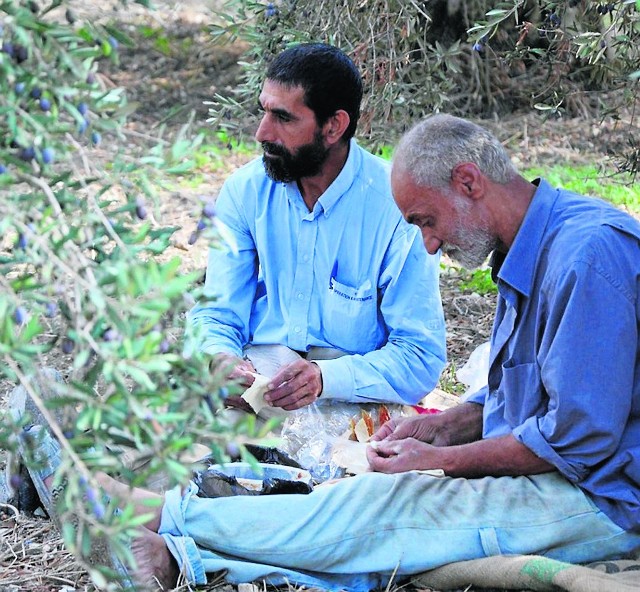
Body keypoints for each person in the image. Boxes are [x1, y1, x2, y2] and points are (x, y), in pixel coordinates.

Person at [16, 114, 640, 592]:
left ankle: (164, 531)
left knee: (395, 506)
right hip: (565, 470)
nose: (427, 246)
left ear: (468, 182)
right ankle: (172, 536)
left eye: (425, 221)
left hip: (603, 499)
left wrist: (444, 462)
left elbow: (576, 443)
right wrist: (446, 425)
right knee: (357, 490)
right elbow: (525, 392)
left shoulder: (586, 256)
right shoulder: (533, 246)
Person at [187, 43, 446, 414]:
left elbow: (419, 356)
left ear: (334, 126)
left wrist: (325, 379)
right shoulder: (247, 191)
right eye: (264, 112)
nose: (262, 133)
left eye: (284, 118)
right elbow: (217, 313)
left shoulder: (396, 206)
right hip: (258, 382)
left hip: (355, 391)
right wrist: (219, 359)